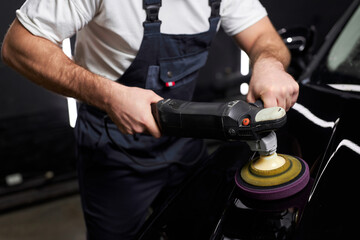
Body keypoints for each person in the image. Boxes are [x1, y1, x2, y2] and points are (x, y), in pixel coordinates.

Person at [1, 0, 299, 239]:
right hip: (114, 153)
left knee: (200, 226)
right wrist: (110, 96)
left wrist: (270, 64)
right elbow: (19, 45)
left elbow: (264, 37)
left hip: (184, 143)